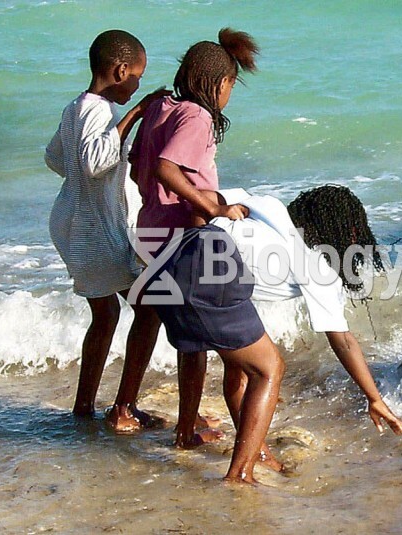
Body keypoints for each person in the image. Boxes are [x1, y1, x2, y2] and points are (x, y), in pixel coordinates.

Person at [130, 28, 284, 484]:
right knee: (267, 367)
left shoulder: (160, 108)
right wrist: (212, 205)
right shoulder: (196, 116)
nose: (231, 93)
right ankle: (242, 474)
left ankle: (186, 430)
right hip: (192, 252)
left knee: (193, 344)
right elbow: (165, 167)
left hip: (154, 247)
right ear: (219, 84)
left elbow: (142, 165)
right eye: (232, 84)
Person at [173, 185, 402, 474]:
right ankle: (240, 475)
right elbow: (344, 341)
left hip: (175, 264)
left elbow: (203, 197)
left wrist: (206, 227)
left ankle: (204, 440)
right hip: (215, 283)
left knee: (239, 366)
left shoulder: (268, 205)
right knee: (269, 369)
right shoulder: (319, 269)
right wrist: (374, 398)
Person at [44, 29, 170, 430]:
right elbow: (96, 162)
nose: (137, 85)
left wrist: (85, 180)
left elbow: (55, 158)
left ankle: (84, 406)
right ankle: (124, 408)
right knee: (152, 309)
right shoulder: (103, 111)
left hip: (70, 223)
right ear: (119, 71)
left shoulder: (73, 108)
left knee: (106, 313)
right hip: (97, 232)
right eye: (136, 76)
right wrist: (134, 116)